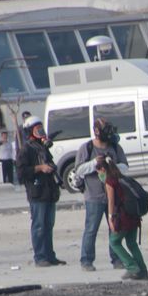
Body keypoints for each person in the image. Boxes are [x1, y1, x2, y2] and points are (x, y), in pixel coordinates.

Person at [74, 118, 129, 272]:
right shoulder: (87, 148)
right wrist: (94, 164)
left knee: (115, 228)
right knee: (91, 229)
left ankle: (117, 259)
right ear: (97, 131)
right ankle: (86, 260)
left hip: (114, 195)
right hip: (94, 196)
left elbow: (125, 167)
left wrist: (111, 165)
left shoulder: (115, 148)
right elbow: (78, 170)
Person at [17, 115, 65, 268]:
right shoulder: (26, 149)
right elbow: (21, 173)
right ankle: (40, 257)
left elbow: (49, 162)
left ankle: (50, 256)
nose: (41, 131)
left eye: (41, 128)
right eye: (37, 129)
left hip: (49, 191)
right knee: (38, 225)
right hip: (37, 192)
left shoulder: (42, 146)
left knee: (48, 225)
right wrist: (40, 168)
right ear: (30, 131)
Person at [99, 156, 148, 281]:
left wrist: (110, 218)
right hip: (134, 216)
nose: (98, 175)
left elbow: (111, 200)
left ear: (103, 170)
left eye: (98, 172)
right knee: (132, 243)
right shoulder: (123, 178)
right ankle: (143, 272)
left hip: (123, 217)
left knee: (114, 242)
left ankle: (132, 267)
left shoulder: (110, 181)